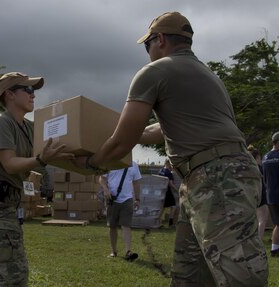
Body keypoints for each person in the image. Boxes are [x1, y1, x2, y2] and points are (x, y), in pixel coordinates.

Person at [76, 12, 267, 286]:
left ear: (160, 39)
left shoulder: (155, 71)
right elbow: (161, 129)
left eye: (147, 45)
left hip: (215, 178)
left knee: (239, 274)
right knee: (190, 272)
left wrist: (92, 163)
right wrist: (137, 133)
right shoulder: (209, 77)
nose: (148, 53)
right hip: (214, 174)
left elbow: (121, 142)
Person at [0, 72, 74, 287]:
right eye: (28, 90)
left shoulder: (27, 127)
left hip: (6, 202)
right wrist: (40, 159)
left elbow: (55, 141)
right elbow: (10, 163)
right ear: (10, 94)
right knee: (12, 271)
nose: (33, 95)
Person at [99, 161, 141, 261]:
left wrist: (138, 199)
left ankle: (128, 251)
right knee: (112, 226)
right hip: (112, 199)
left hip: (127, 199)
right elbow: (102, 178)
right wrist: (105, 189)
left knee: (126, 225)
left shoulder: (134, 165)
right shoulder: (110, 162)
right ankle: (113, 251)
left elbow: (136, 182)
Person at [262, 132, 279, 256]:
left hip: (270, 195)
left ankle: (274, 249)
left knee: (277, 223)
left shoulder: (266, 157)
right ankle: (274, 250)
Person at [248, 145, 269, 240]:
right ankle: (259, 239)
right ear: (257, 157)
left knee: (255, 220)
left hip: (251, 196)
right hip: (261, 195)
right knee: (262, 219)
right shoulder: (259, 168)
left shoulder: (248, 167)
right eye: (260, 157)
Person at [158, 159, 177, 227]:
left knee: (162, 207)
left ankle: (158, 222)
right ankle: (170, 223)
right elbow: (171, 184)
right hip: (167, 191)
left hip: (161, 191)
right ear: (168, 164)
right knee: (173, 206)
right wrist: (178, 190)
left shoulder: (161, 170)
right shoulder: (169, 173)